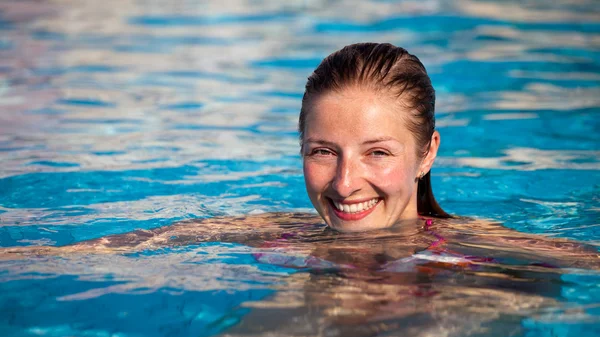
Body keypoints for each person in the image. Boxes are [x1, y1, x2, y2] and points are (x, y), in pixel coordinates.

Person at [0, 43, 597, 270]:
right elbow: (131, 244)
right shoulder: (278, 231)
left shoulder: (474, 246)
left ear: (426, 154)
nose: (345, 182)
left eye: (378, 153)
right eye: (323, 152)